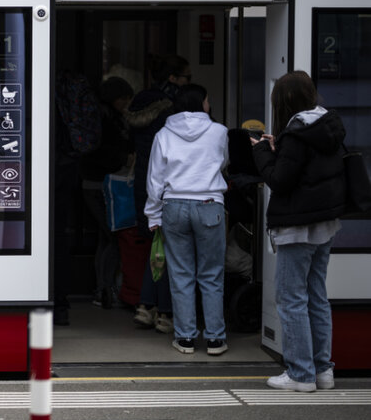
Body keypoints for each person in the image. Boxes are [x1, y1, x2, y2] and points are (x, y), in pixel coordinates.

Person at [251, 71, 345, 392]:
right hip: (325, 224)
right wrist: (281, 149)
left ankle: (300, 374)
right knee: (316, 296)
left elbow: (280, 180)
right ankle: (322, 370)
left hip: (297, 227)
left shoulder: (296, 132)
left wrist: (262, 152)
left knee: (291, 299)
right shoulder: (327, 126)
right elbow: (307, 170)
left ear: (285, 100)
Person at [145, 83, 229, 356]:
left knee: (181, 275)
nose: (209, 104)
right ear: (201, 103)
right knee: (212, 275)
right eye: (207, 100)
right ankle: (215, 339)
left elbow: (155, 179)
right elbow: (223, 163)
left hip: (174, 205)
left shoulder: (163, 134)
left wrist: (153, 214)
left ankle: (185, 338)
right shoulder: (219, 132)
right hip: (209, 205)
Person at [128, 54, 188, 333]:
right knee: (167, 250)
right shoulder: (172, 111)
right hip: (169, 182)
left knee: (156, 246)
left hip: (144, 178)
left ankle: (146, 305)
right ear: (173, 79)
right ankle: (163, 311)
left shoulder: (138, 102)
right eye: (185, 77)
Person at [80, 76, 134, 309]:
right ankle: (105, 289)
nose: (125, 104)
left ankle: (102, 288)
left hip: (93, 183)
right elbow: (102, 152)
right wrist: (123, 157)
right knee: (112, 236)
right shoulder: (105, 119)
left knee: (105, 237)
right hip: (100, 183)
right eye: (123, 99)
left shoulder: (101, 116)